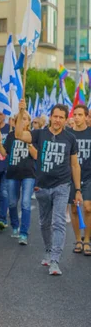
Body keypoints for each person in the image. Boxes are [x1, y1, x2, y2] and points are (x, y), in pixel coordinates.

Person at [15, 101, 83, 276]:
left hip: (62, 185)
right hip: (42, 186)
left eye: (61, 117)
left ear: (65, 119)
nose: (58, 120)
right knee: (44, 223)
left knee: (58, 222)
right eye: (55, 116)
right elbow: (19, 135)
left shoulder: (70, 138)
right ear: (50, 117)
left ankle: (55, 260)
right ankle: (47, 250)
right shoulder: (40, 134)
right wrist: (21, 111)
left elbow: (75, 165)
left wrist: (77, 189)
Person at [0, 111, 37, 245]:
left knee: (25, 202)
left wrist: (29, 143)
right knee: (12, 203)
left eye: (25, 119)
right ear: (15, 122)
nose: (23, 121)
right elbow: (4, 154)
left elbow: (36, 156)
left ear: (29, 122)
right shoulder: (10, 136)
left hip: (28, 174)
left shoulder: (34, 135)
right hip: (12, 174)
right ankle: (15, 226)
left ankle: (24, 233)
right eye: (20, 119)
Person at [67, 104, 91, 255]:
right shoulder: (69, 134)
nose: (77, 117)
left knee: (88, 207)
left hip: (89, 176)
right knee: (75, 209)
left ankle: (87, 240)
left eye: (80, 114)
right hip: (71, 177)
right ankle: (78, 239)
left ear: (87, 117)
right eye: (75, 114)